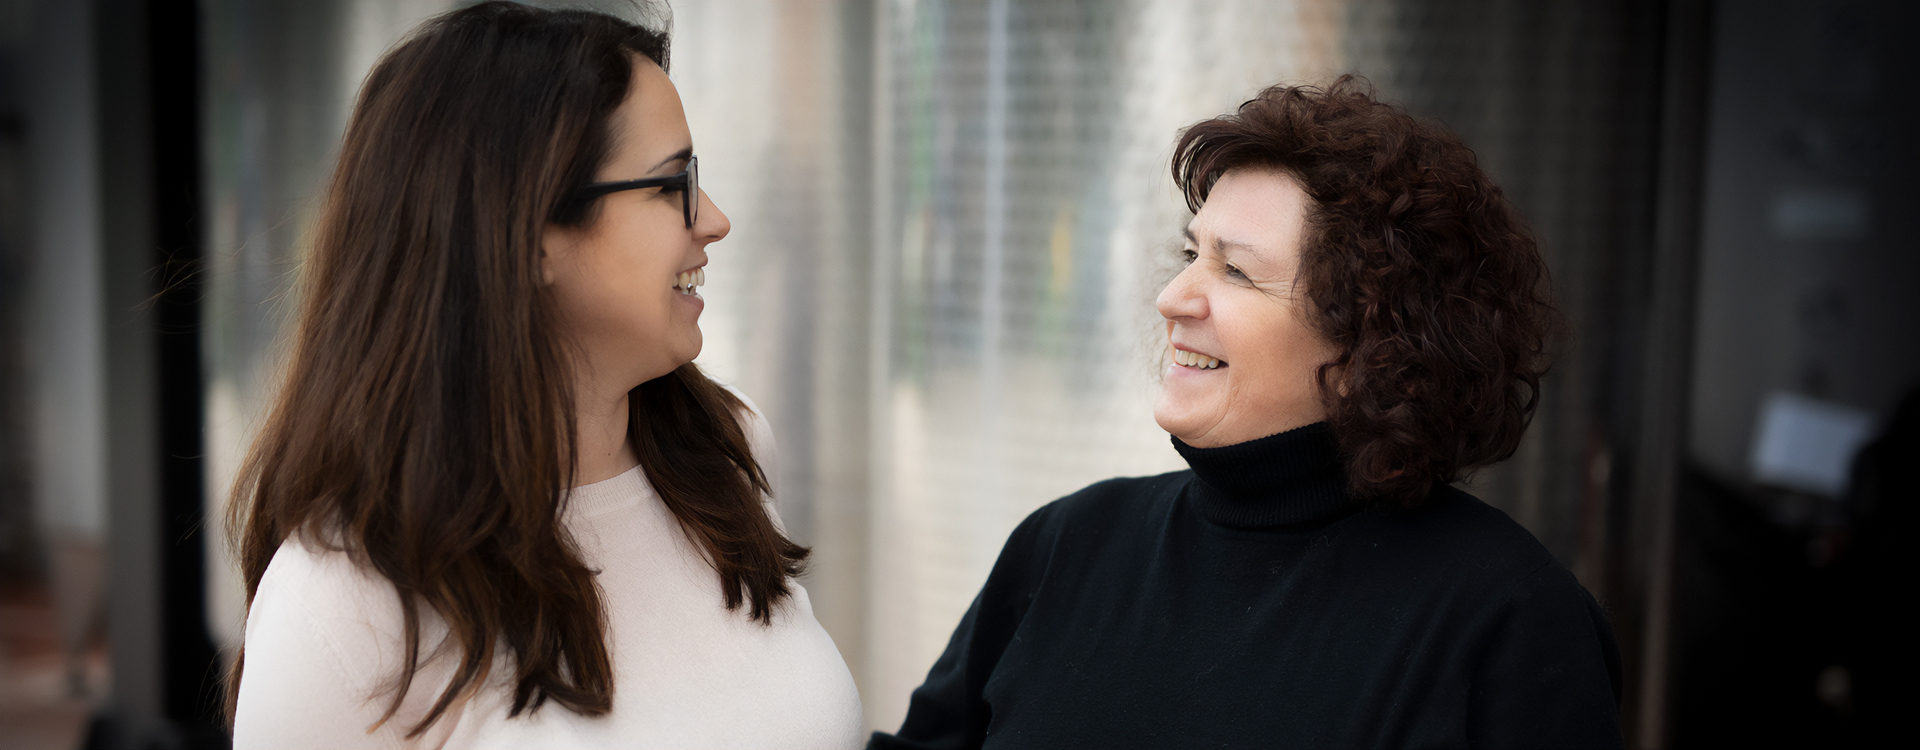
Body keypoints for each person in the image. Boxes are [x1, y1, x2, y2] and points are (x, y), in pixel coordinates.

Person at [870, 77, 1622, 749]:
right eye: (1190, 255)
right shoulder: (1068, 545)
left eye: (1235, 270)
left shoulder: (1507, 618)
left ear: (1373, 345)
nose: (1173, 298)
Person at [226, 3, 862, 747]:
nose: (714, 220)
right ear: (528, 235)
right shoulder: (340, 608)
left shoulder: (730, 452)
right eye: (670, 185)